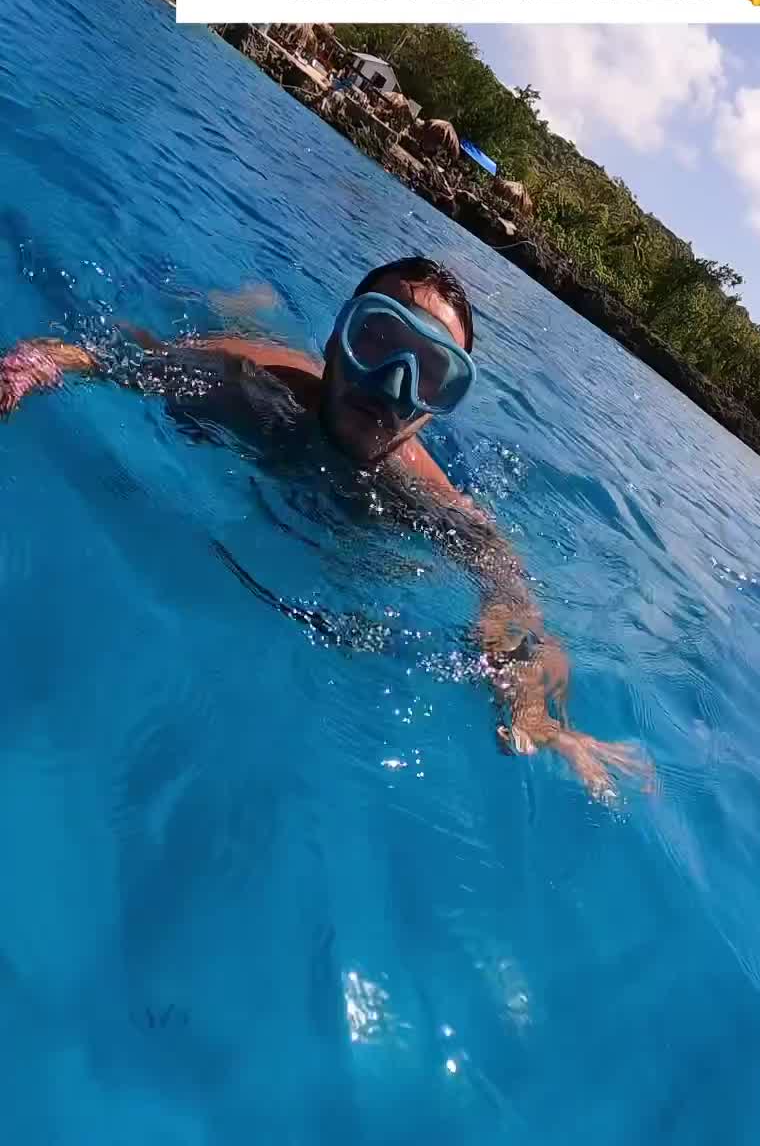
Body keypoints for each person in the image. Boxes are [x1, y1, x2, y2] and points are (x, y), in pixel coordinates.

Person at [0, 255, 650, 799]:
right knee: (222, 316)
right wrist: (25, 371)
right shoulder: (244, 386)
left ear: (440, 408)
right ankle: (246, 305)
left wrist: (537, 710)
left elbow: (507, 588)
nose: (392, 382)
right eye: (377, 338)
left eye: (429, 372)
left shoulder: (424, 496)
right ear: (339, 336)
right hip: (253, 372)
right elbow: (98, 356)